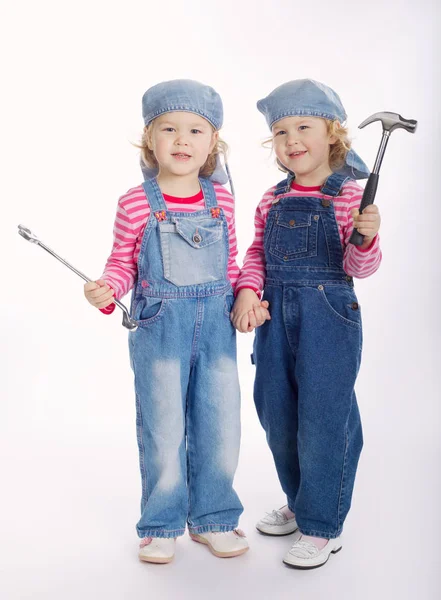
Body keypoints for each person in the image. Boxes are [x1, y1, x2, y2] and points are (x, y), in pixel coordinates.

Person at [84, 79, 254, 564]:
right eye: (169, 129)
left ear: (211, 145)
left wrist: (247, 294)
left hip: (218, 329)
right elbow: (121, 263)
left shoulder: (223, 200)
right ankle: (160, 524)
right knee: (162, 427)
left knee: (220, 425)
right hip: (160, 329)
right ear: (149, 140)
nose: (182, 140)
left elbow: (233, 264)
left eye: (196, 131)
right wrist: (106, 289)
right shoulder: (135, 203)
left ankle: (215, 518)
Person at [232, 79, 382, 569]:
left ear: (333, 135)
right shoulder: (271, 200)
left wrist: (365, 239)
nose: (291, 139)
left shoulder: (347, 197)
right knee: (277, 414)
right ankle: (300, 501)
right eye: (280, 131)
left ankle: (322, 526)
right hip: (276, 318)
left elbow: (360, 269)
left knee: (324, 417)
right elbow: (256, 254)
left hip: (328, 315)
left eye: (304, 127)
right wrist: (249, 290)